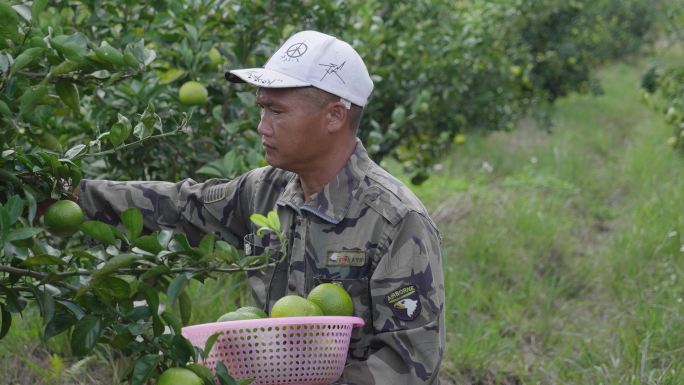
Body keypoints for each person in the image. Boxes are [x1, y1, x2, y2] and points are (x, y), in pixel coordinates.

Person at [78, 30, 445, 385]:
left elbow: (409, 363)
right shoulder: (265, 191)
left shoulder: (394, 220)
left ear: (334, 116)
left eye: (276, 111)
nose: (261, 126)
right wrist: (74, 195)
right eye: (261, 109)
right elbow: (181, 205)